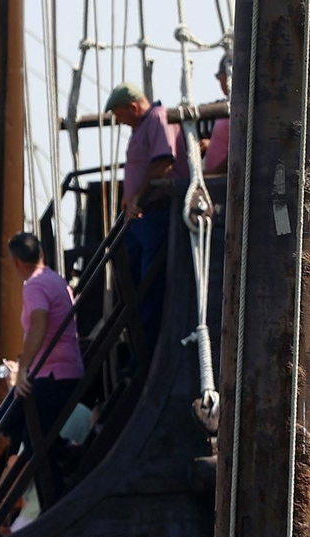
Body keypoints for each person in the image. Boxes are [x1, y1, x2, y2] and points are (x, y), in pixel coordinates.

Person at [106, 82, 186, 355]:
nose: (120, 121)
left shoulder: (157, 118)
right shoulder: (142, 126)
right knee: (131, 279)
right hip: (140, 218)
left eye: (120, 115)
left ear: (132, 107)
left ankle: (149, 348)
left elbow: (163, 162)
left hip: (154, 214)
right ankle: (138, 341)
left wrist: (138, 197)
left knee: (149, 287)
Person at [3, 232, 84, 454]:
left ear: (17, 262)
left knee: (32, 443)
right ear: (41, 255)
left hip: (51, 375)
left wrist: (23, 369)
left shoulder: (34, 286)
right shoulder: (58, 281)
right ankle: (65, 450)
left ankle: (63, 464)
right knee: (12, 422)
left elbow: (39, 324)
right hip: (67, 371)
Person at [202, 52, 233, 176]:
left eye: (220, 77)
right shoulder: (227, 105)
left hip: (224, 180)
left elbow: (240, 150)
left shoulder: (240, 107)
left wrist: (214, 173)